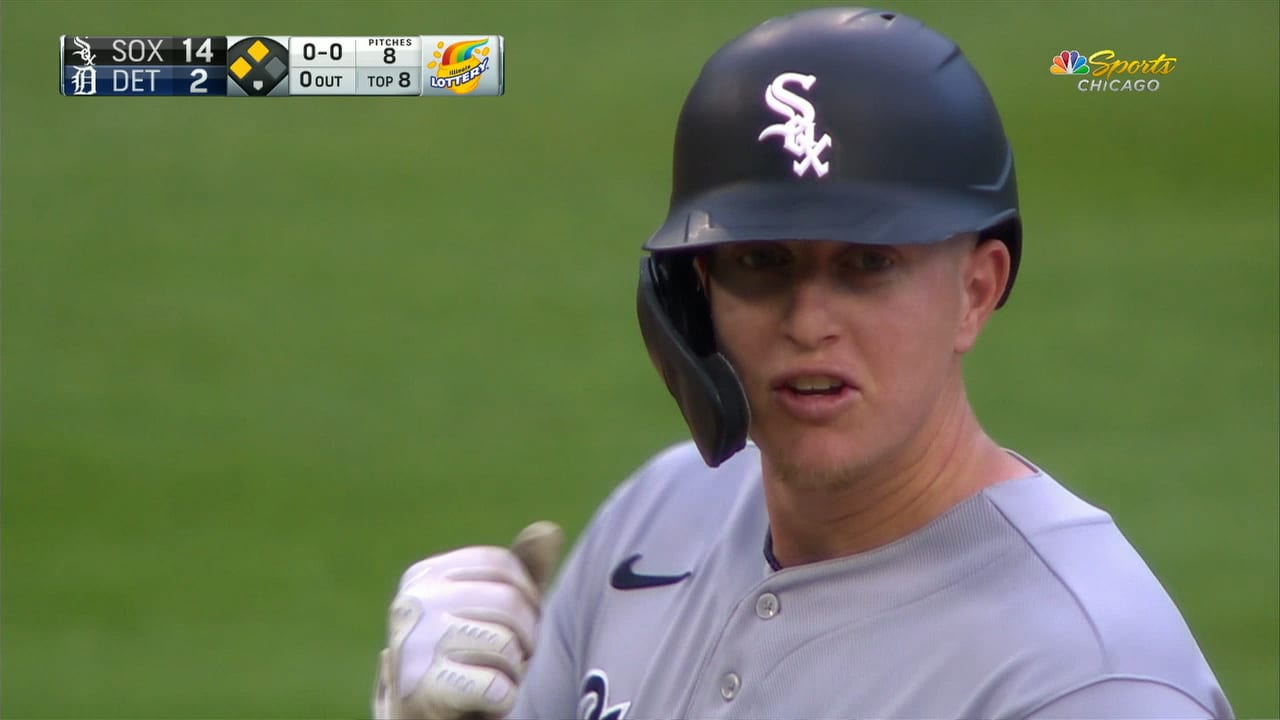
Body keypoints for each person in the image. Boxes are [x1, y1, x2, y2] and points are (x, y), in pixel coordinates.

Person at [372, 7, 1234, 719]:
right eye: (761, 263)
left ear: (977, 290)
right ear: (693, 291)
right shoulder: (660, 514)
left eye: (868, 264)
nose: (809, 321)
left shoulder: (1088, 679)